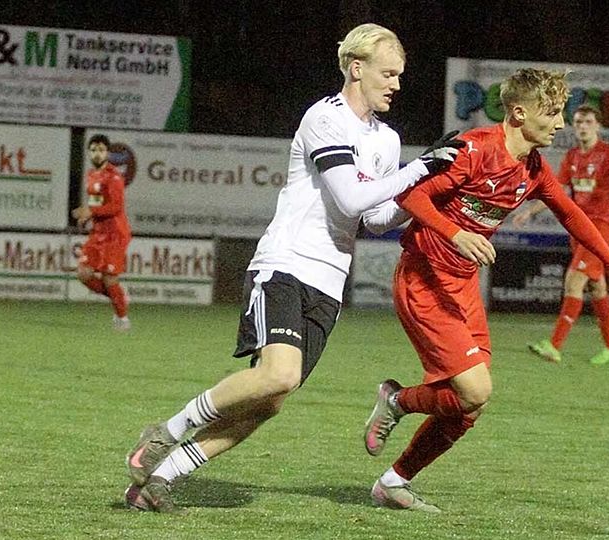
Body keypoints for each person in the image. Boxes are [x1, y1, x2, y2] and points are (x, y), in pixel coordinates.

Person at [122, 23, 463, 513]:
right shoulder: (324, 119)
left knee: (270, 400)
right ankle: (165, 432)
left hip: (329, 282)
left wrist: (428, 189)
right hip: (285, 263)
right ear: (356, 68)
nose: (396, 84)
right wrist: (421, 168)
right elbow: (348, 194)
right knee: (278, 374)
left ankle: (157, 480)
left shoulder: (386, 140)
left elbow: (372, 217)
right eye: (388, 74)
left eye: (400, 76)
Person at [362, 68, 609, 512]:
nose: (560, 123)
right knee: (475, 391)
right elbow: (411, 197)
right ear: (519, 112)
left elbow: (572, 215)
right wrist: (454, 233)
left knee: (470, 407)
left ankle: (394, 481)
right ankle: (396, 400)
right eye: (552, 113)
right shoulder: (476, 150)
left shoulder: (533, 167)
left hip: (462, 287)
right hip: (424, 280)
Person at [515, 105, 609, 365]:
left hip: (601, 228)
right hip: (579, 229)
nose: (582, 126)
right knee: (597, 287)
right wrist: (531, 211)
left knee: (573, 281)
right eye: (578, 122)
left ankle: (554, 345)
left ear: (597, 125)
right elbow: (558, 191)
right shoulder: (573, 156)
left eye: (587, 121)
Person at [72, 134, 132, 331]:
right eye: (94, 150)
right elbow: (97, 202)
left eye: (101, 150)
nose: (97, 153)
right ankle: (120, 298)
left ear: (107, 153)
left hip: (115, 233)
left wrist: (91, 211)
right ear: (89, 152)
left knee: (109, 278)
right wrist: (86, 215)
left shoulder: (114, 176)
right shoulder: (92, 175)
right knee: (83, 273)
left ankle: (122, 319)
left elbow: (116, 206)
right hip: (98, 233)